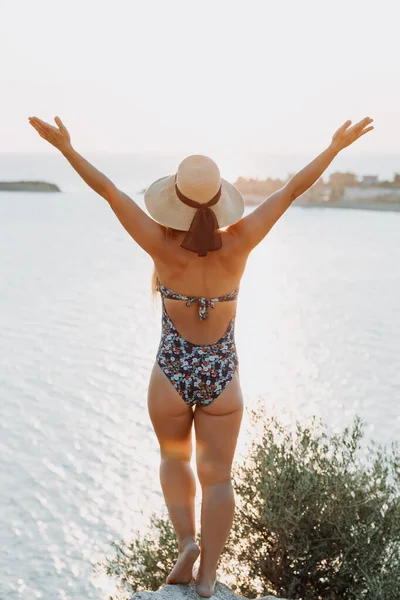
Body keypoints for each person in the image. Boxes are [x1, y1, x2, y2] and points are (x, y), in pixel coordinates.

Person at [28, 114, 374, 597]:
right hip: (222, 376)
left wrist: (66, 148)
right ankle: (208, 575)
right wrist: (335, 147)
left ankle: (186, 543)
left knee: (174, 459)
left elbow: (108, 191)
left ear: (174, 201)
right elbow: (293, 189)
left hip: (171, 372)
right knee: (219, 479)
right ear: (219, 200)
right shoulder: (240, 243)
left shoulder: (161, 246)